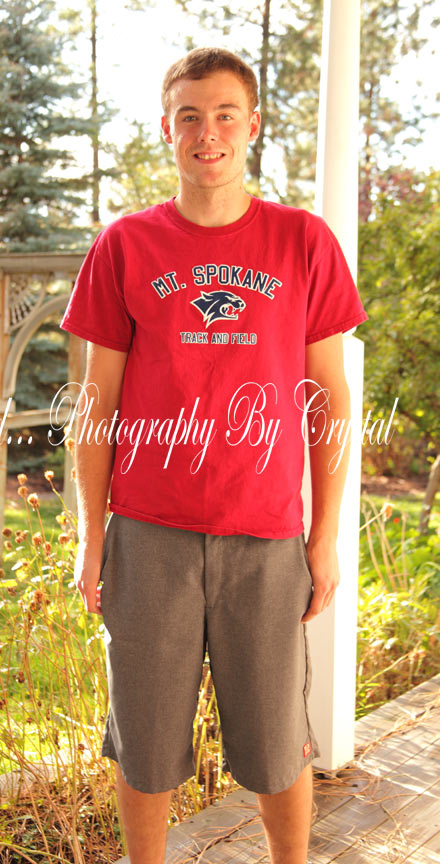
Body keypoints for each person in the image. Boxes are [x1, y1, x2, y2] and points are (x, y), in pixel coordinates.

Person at [60, 47, 367, 864]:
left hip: (266, 538)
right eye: (190, 116)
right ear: (167, 128)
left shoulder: (303, 243)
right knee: (146, 742)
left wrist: (325, 537)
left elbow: (331, 399)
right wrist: (91, 535)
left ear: (252, 125)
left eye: (226, 114)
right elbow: (95, 405)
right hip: (149, 536)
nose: (209, 133)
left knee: (277, 744)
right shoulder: (125, 246)